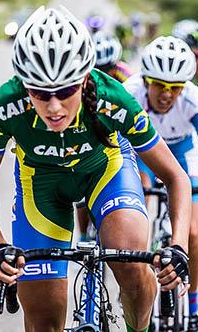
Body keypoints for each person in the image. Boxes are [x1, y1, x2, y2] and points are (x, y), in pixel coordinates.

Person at [0, 6, 192, 332]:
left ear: (86, 78)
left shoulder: (112, 98)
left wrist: (179, 246)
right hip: (42, 186)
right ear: (23, 83)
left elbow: (174, 176)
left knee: (129, 260)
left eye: (66, 91)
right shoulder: (6, 104)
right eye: (40, 93)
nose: (54, 106)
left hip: (105, 170)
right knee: (43, 319)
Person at [123, 36, 198, 332]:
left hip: (183, 158)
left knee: (193, 232)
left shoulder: (193, 98)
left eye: (175, 87)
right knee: (138, 224)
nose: (167, 94)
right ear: (146, 80)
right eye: (159, 85)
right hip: (142, 157)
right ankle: (137, 289)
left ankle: (193, 305)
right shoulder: (129, 93)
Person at [76, 31, 133, 242]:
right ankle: (82, 236)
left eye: (109, 69)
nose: (104, 75)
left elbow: (132, 109)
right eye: (98, 70)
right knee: (81, 195)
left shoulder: (126, 75)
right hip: (89, 125)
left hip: (115, 126)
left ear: (116, 65)